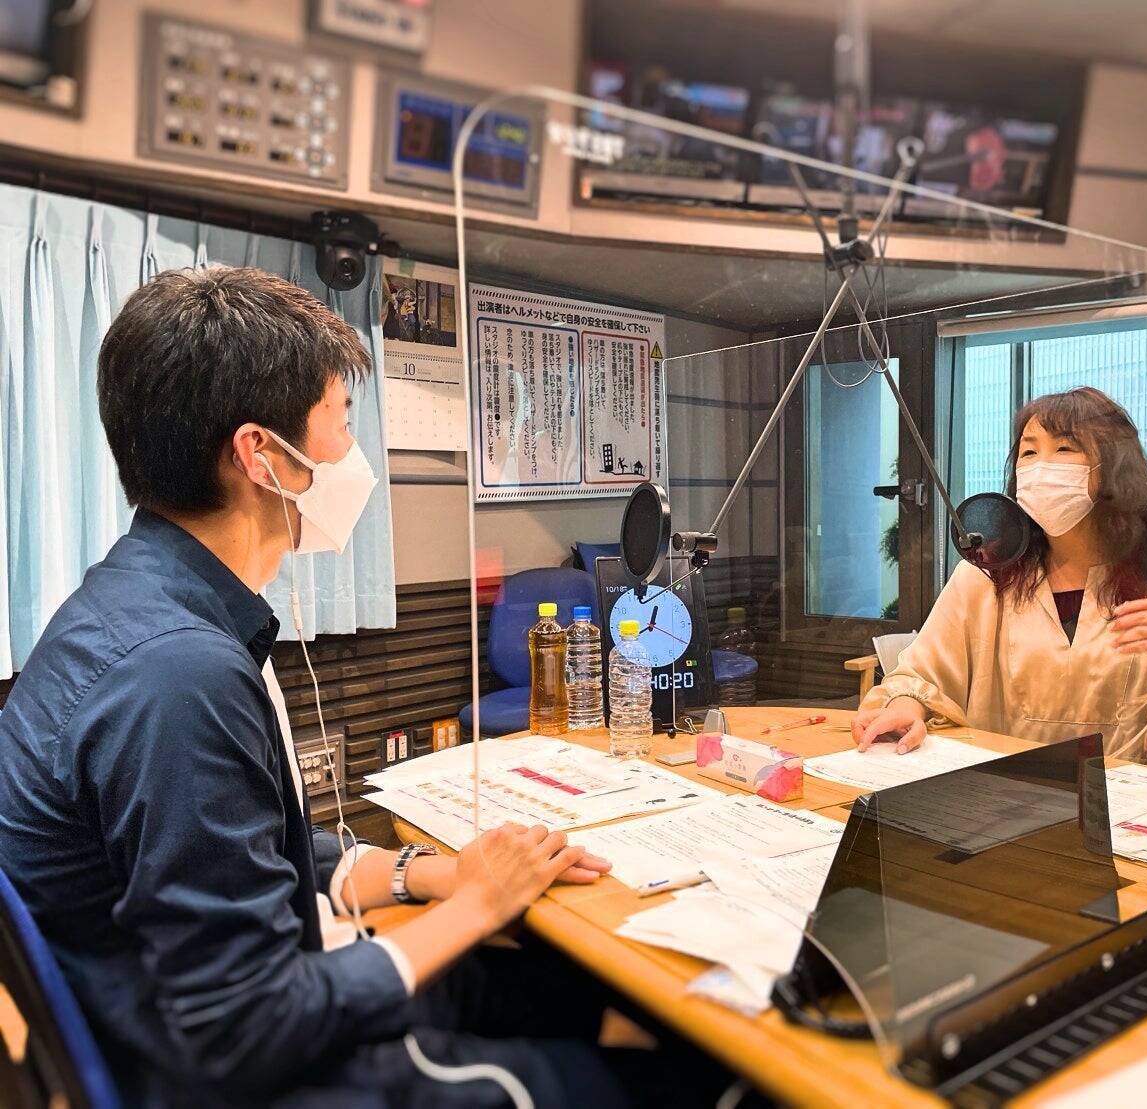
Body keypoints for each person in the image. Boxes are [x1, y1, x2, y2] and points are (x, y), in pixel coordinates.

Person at [0, 266, 718, 1108]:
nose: (351, 453)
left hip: (206, 1015)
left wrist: (433, 875)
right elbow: (246, 1029)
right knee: (667, 1079)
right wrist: (478, 904)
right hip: (240, 1072)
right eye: (340, 422)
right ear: (260, 455)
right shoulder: (175, 674)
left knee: (561, 992)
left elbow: (252, 856)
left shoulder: (137, 605)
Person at [853, 386, 1147, 774]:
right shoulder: (987, 572)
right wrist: (906, 705)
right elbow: (922, 674)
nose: (1042, 467)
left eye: (1064, 449)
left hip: (1139, 800)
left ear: (1114, 468)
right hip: (1009, 798)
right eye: (1029, 453)